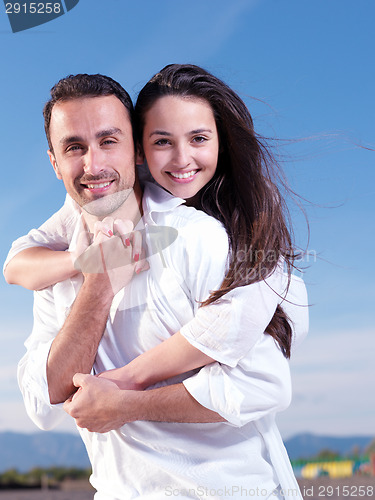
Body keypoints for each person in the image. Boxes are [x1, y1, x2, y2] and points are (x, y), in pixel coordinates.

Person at [4, 68, 308, 499]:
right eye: (74, 147)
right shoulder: (59, 266)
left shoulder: (198, 238)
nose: (94, 164)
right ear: (54, 163)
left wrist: (127, 403)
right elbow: (45, 402)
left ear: (135, 151)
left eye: (109, 141)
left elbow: (264, 383)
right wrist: (98, 282)